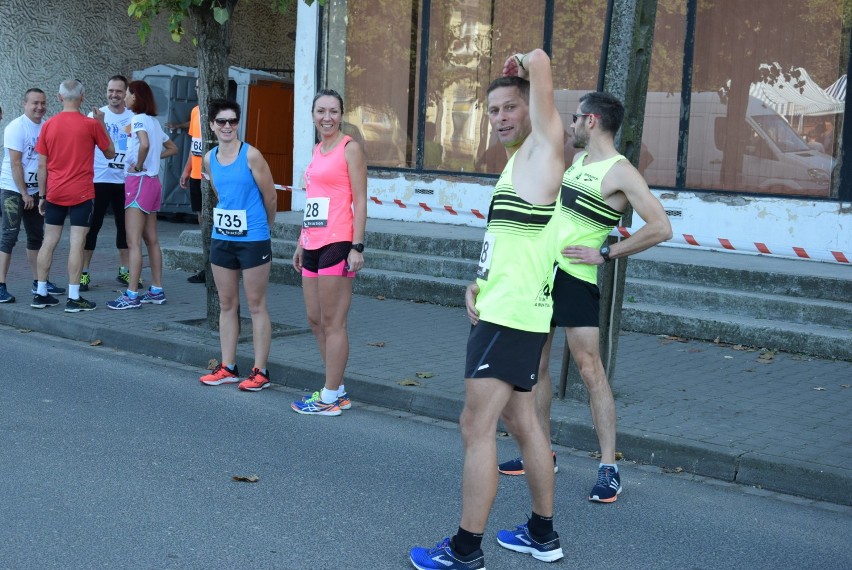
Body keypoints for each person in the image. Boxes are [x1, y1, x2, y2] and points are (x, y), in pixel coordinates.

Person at [410, 50, 565, 570]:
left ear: (531, 110)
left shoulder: (544, 151)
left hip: (510, 320)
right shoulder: (515, 166)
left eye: (510, 108)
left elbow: (542, 73)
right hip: (506, 308)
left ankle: (464, 550)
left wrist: (528, 60)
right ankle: (543, 534)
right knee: (524, 424)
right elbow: (507, 241)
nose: (500, 118)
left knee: (476, 429)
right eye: (493, 110)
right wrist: (478, 283)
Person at [496, 92, 672, 504]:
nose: (571, 125)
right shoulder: (577, 163)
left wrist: (606, 252)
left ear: (591, 121)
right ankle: (541, 452)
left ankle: (609, 467)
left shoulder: (621, 171)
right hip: (542, 274)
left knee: (589, 369)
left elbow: (662, 227)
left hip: (577, 279)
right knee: (534, 367)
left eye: (576, 118)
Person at [290, 89, 366, 416]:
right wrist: (299, 241)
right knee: (315, 319)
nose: (327, 117)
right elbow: (313, 200)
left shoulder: (351, 149)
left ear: (342, 114)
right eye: (321, 111)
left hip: (338, 241)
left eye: (333, 111)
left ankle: (331, 395)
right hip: (312, 241)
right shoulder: (318, 149)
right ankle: (335, 388)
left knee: (334, 322)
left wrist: (357, 246)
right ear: (313, 115)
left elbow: (361, 200)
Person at [197, 99, 278, 391]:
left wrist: (264, 227)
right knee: (227, 304)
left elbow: (270, 197)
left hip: (254, 238)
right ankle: (228, 366)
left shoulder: (251, 155)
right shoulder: (209, 158)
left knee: (256, 305)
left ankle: (261, 371)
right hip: (223, 238)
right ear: (212, 125)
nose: (227, 126)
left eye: (232, 121)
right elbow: (220, 193)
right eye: (221, 121)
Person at [33, 80, 114, 312]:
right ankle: (73, 297)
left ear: (59, 98)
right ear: (83, 97)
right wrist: (102, 124)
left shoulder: (48, 125)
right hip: (82, 192)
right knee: (77, 244)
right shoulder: (91, 124)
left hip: (55, 192)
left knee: (48, 242)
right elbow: (111, 153)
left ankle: (40, 294)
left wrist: (42, 195)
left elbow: (41, 165)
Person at [106, 80, 178, 310]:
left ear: (135, 96)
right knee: (152, 239)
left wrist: (138, 164)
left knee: (133, 241)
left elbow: (144, 144)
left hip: (138, 182)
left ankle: (132, 294)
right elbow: (173, 148)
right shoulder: (154, 122)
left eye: (127, 93)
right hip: (153, 182)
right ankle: (156, 289)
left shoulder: (137, 119)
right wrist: (151, 161)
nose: (124, 97)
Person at [0, 89, 66, 304]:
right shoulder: (16, 127)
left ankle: (40, 282)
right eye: (35, 103)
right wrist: (24, 193)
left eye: (43, 103)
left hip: (36, 193)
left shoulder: (47, 126)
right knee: (9, 237)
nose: (39, 107)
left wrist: (42, 194)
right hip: (13, 190)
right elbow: (16, 162)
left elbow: (47, 162)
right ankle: (1, 286)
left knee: (36, 237)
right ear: (24, 104)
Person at [80, 75, 137, 292]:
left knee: (125, 228)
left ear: (126, 93)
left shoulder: (134, 117)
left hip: (125, 182)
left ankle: (124, 270)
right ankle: (84, 272)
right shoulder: (94, 116)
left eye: (118, 91)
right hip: (98, 180)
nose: (114, 95)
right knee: (92, 227)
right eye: (110, 90)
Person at [174, 79, 206, 284]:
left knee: (211, 221)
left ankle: (212, 267)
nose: (196, 89)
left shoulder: (217, 114)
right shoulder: (195, 111)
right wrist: (186, 170)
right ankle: (207, 265)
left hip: (210, 176)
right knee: (202, 220)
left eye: (199, 85)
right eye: (195, 86)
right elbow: (195, 145)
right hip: (195, 176)